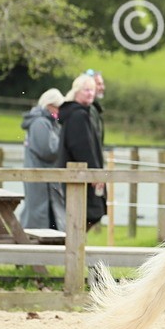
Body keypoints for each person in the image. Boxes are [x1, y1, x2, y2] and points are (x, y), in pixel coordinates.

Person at [57, 74, 106, 230]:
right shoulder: (78, 115)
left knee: (87, 214)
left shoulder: (83, 113)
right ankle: (72, 248)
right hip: (81, 174)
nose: (90, 93)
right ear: (77, 91)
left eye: (92, 90)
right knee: (85, 213)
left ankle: (75, 246)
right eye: (86, 90)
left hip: (83, 173)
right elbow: (80, 146)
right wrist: (93, 172)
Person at [20, 88, 66, 230]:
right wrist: (65, 143)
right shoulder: (40, 123)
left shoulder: (49, 123)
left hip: (47, 181)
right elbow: (48, 151)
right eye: (59, 108)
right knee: (39, 216)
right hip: (41, 181)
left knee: (48, 215)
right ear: (50, 106)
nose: (60, 112)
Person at [85, 69, 105, 147]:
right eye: (99, 84)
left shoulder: (95, 108)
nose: (103, 87)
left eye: (102, 84)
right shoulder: (88, 109)